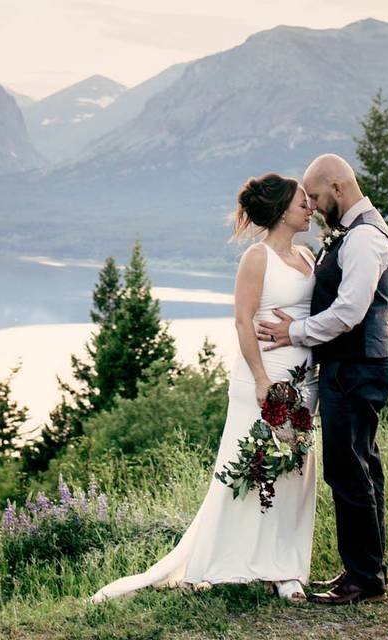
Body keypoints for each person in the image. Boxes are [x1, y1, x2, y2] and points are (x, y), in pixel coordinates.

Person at [89, 173, 319, 604]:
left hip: (305, 382)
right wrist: (261, 380)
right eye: (302, 202)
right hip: (265, 380)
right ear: (281, 210)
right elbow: (242, 321)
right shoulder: (257, 257)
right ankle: (230, 561)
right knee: (251, 469)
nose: (310, 207)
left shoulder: (308, 255)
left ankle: (286, 568)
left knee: (296, 472)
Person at [257, 153, 388, 605]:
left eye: (316, 196)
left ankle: (364, 579)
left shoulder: (363, 239)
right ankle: (365, 571)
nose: (313, 206)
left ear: (337, 188)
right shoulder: (355, 234)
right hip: (354, 366)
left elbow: (349, 313)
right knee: (361, 466)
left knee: (347, 470)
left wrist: (292, 331)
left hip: (356, 367)